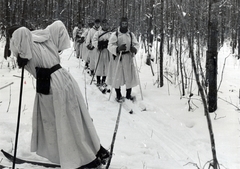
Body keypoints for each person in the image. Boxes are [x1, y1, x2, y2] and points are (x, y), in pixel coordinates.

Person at [4, 20, 109, 169]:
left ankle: (83, 159)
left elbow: (21, 34)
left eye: (11, 38)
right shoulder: (42, 39)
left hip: (51, 85)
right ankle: (96, 150)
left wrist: (21, 54)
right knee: (76, 119)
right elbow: (58, 25)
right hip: (65, 79)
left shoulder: (24, 41)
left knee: (62, 123)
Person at [107, 17, 139, 103]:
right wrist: (117, 48)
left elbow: (136, 44)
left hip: (128, 57)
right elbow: (110, 46)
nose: (124, 25)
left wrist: (134, 49)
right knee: (117, 76)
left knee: (129, 76)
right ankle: (118, 94)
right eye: (123, 24)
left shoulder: (131, 35)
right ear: (120, 24)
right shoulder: (115, 34)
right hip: (118, 58)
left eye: (126, 24)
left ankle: (128, 95)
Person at [92, 19, 111, 86]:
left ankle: (104, 80)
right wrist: (99, 44)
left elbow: (112, 42)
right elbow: (94, 41)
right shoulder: (98, 33)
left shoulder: (110, 33)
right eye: (104, 24)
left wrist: (107, 44)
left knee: (106, 66)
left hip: (107, 52)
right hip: (99, 51)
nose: (105, 26)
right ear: (102, 25)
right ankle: (98, 80)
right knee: (99, 66)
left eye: (106, 24)